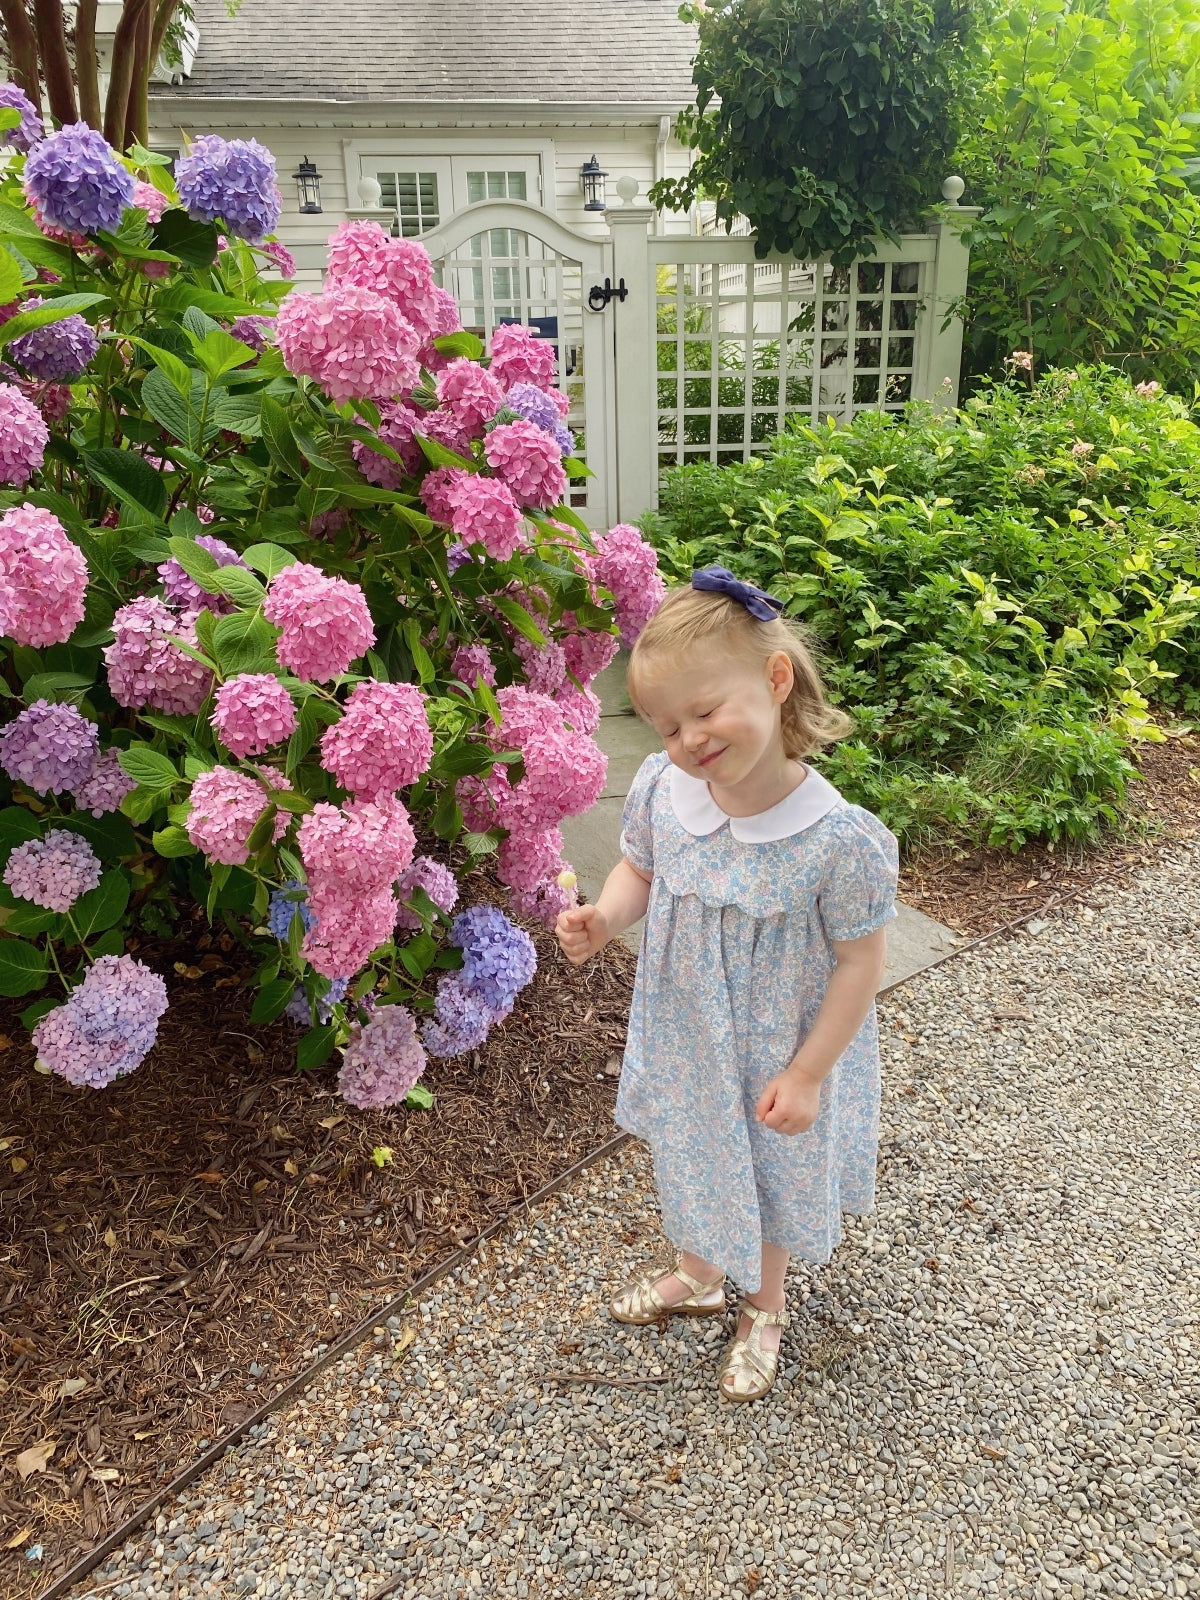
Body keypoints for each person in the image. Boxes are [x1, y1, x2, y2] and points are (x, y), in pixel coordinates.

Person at [555, 566, 898, 1402]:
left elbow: (861, 963)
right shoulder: (666, 792)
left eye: (706, 712)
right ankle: (701, 1271)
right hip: (690, 1031)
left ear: (776, 681)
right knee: (695, 1149)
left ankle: (763, 1307)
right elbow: (641, 867)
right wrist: (603, 918)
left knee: (770, 1171)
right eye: (667, 726)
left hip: (780, 1048)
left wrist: (811, 1073)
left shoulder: (835, 841)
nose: (689, 741)